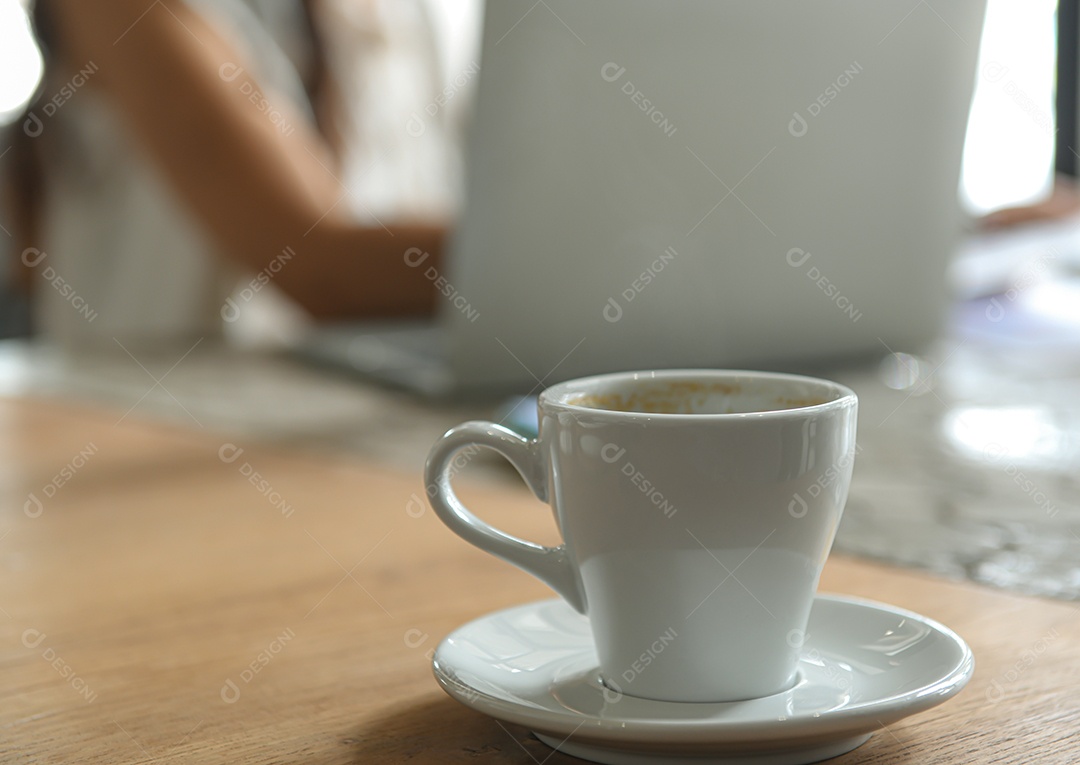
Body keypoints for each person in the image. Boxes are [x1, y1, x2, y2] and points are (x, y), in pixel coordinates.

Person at [2, 0, 456, 347]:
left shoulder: (386, 17)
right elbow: (319, 266)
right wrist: (515, 258)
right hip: (151, 427)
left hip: (316, 414)